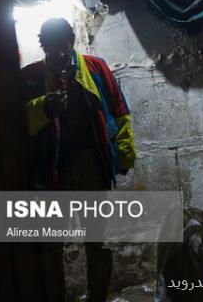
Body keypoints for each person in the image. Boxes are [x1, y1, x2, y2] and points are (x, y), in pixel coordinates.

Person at [21, 18, 137, 302]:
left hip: (90, 165)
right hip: (51, 170)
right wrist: (44, 108)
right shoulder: (30, 77)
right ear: (43, 46)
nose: (61, 52)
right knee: (50, 243)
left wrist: (124, 153)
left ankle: (97, 297)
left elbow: (119, 110)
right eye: (53, 46)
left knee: (97, 240)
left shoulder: (95, 68)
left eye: (65, 44)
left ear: (72, 41)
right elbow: (14, 124)